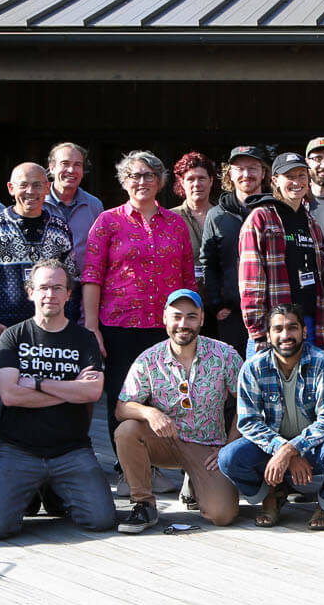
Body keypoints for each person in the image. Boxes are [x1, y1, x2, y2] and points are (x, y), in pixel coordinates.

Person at [0, 260, 116, 540]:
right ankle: (40, 489)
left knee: (101, 520)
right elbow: (10, 394)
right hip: (18, 450)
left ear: (68, 294)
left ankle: (52, 491)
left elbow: (91, 393)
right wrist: (69, 391)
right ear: (30, 292)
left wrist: (40, 384)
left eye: (57, 288)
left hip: (71, 451)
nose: (49, 295)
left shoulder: (84, 339)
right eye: (43, 288)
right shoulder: (13, 337)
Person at [82, 150, 198, 461]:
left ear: (160, 182)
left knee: (168, 395)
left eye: (149, 175)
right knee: (123, 396)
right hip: (119, 326)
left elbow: (188, 277)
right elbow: (92, 275)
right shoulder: (107, 221)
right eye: (134, 175)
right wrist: (91, 326)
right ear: (124, 181)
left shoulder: (175, 224)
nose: (141, 181)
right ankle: (126, 467)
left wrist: (191, 322)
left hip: (167, 327)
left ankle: (163, 462)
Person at [114, 289, 242, 533]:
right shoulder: (148, 359)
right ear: (164, 318)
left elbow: (247, 404)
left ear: (202, 319)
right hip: (165, 441)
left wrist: (229, 446)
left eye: (191, 316)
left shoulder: (225, 355)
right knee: (127, 429)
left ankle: (194, 481)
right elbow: (122, 407)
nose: (183, 324)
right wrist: (150, 413)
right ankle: (143, 504)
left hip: (207, 448)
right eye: (176, 316)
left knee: (221, 514)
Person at [217, 304, 324, 530]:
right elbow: (248, 422)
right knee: (229, 458)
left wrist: (291, 450)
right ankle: (272, 494)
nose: (285, 335)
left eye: (292, 328)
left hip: (315, 447)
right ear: (268, 335)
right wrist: (283, 450)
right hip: (272, 447)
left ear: (304, 331)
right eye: (278, 329)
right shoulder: (253, 367)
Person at [0, 162, 78, 372]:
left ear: (47, 187)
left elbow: (72, 280)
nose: (30, 192)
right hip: (4, 332)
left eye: (37, 185)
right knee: (3, 398)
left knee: (48, 393)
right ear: (11, 188)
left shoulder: (60, 228)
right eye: (23, 185)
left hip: (49, 331)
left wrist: (67, 324)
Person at [239, 152, 324, 354]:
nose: (296, 182)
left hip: (308, 324)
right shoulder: (260, 218)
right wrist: (258, 332)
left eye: (301, 175)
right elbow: (250, 281)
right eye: (289, 177)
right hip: (273, 328)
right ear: (274, 181)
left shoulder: (311, 222)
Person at [201, 146, 271, 349]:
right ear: (229, 173)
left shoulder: (275, 210)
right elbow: (209, 263)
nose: (246, 174)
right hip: (232, 315)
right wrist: (217, 304)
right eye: (239, 169)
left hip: (272, 313)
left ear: (263, 172)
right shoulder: (217, 216)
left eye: (252, 168)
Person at [44, 142, 103, 276]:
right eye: (65, 163)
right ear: (52, 167)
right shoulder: (39, 202)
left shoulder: (94, 206)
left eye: (77, 165)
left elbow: (100, 251)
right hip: (46, 289)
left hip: (82, 288)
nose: (71, 170)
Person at [170, 151, 218, 259]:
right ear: (182, 183)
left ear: (211, 181)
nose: (196, 184)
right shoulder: (170, 218)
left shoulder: (225, 216)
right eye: (191, 179)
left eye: (201, 178)